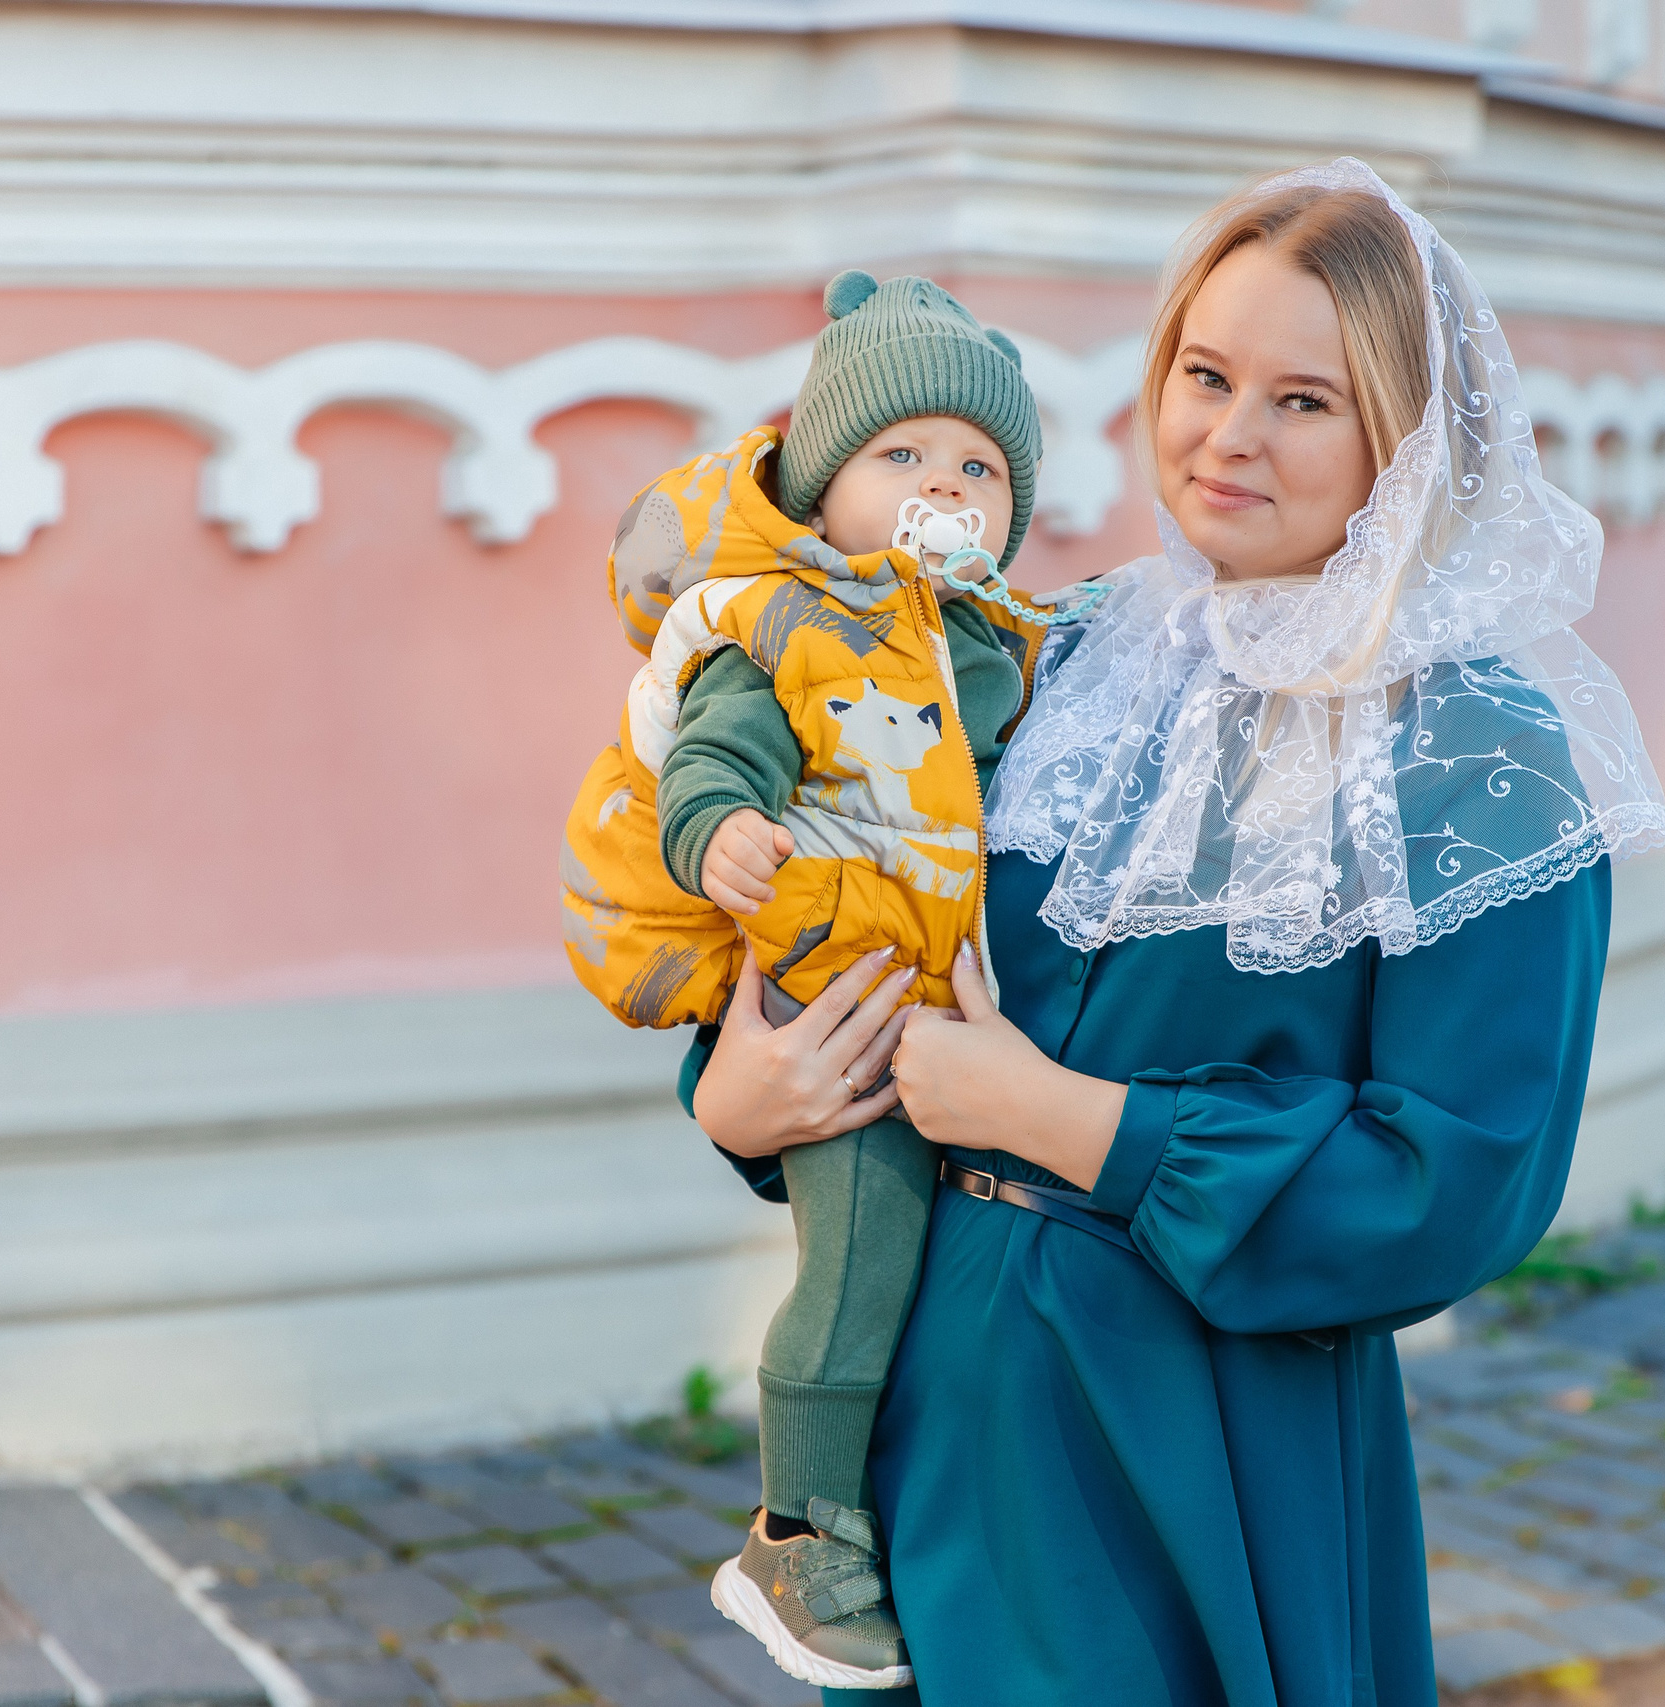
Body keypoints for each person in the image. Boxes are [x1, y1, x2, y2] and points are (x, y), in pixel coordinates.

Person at [690, 158, 1665, 1705]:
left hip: (1195, 1438)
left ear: (1404, 441)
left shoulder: (1476, 757)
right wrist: (743, 1099)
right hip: (924, 1407)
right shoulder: (1046, 657)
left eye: (1305, 400)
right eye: (1206, 375)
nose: (1229, 434)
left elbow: (1457, 1180)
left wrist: (1070, 1122)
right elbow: (852, 920)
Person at [560, 270, 1096, 1691]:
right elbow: (715, 749)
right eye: (901, 454)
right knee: (859, 1266)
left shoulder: (996, 641)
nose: (945, 485)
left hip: (934, 996)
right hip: (826, 983)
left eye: (980, 466)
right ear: (820, 483)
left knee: (919, 1274)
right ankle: (797, 1537)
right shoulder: (784, 618)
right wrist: (717, 829)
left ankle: (872, 1518)